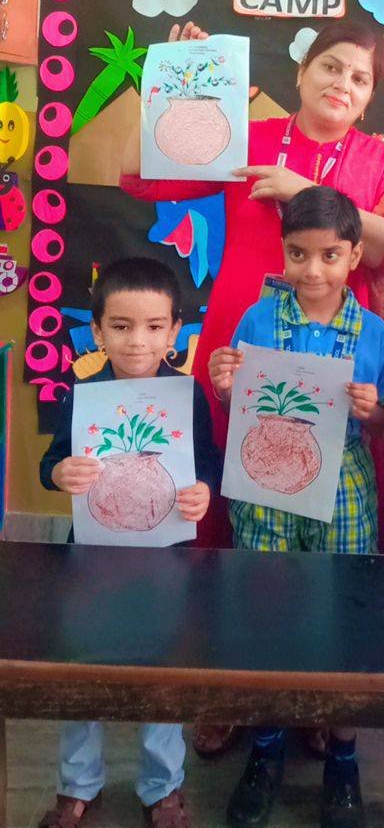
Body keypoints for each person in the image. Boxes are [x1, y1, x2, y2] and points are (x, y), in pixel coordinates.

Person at [120, 20, 384, 547]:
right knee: (222, 467)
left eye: (359, 78)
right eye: (331, 67)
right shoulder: (248, 139)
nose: (342, 84)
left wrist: (306, 190)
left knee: (335, 494)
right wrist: (167, 82)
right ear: (303, 71)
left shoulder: (382, 162)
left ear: (370, 96)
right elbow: (140, 177)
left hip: (339, 351)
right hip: (242, 339)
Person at [210, 187, 384, 828]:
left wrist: (376, 410)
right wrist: (225, 383)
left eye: (329, 255)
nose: (312, 270)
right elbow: (238, 399)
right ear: (283, 251)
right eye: (297, 254)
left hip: (343, 487)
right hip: (265, 487)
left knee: (342, 615)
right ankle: (266, 750)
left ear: (354, 256)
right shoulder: (258, 319)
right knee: (265, 609)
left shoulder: (375, 334)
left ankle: (343, 758)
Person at [38, 258, 222, 828]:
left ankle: (162, 786)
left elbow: (208, 464)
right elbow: (51, 462)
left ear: (174, 332)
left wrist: (202, 491)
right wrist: (60, 472)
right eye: (120, 326)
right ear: (97, 331)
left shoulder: (187, 396)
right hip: (92, 559)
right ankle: (78, 784)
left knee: (160, 672)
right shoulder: (81, 394)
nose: (137, 340)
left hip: (166, 560)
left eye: (153, 326)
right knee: (83, 669)